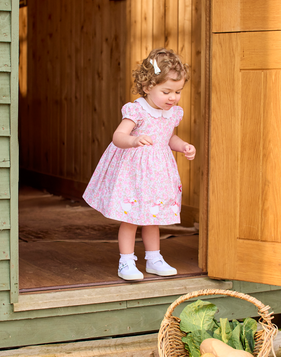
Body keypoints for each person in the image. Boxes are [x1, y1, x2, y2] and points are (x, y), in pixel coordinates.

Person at [83, 48, 196, 281]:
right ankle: (126, 262)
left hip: (158, 173)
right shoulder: (137, 110)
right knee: (132, 217)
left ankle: (154, 259)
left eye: (178, 91)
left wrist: (183, 145)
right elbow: (118, 136)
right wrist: (134, 140)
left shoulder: (173, 113)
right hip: (134, 172)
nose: (173, 97)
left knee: (153, 217)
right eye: (166, 91)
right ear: (147, 87)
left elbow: (168, 137)